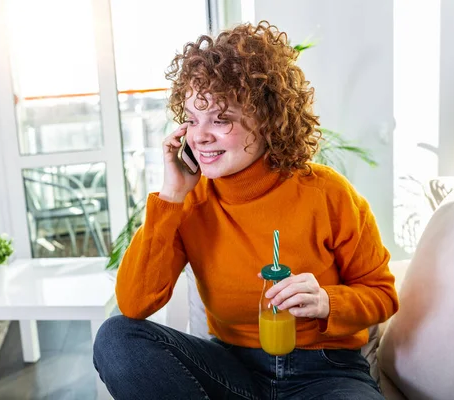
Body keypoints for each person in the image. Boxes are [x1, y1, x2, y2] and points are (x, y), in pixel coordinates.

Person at [93, 20, 399, 399]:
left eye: (221, 120)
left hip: (325, 372)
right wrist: (171, 196)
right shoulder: (189, 201)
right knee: (117, 338)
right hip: (230, 368)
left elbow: (383, 295)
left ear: (269, 121)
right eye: (191, 119)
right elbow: (135, 303)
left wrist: (326, 302)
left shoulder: (327, 193)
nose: (200, 135)